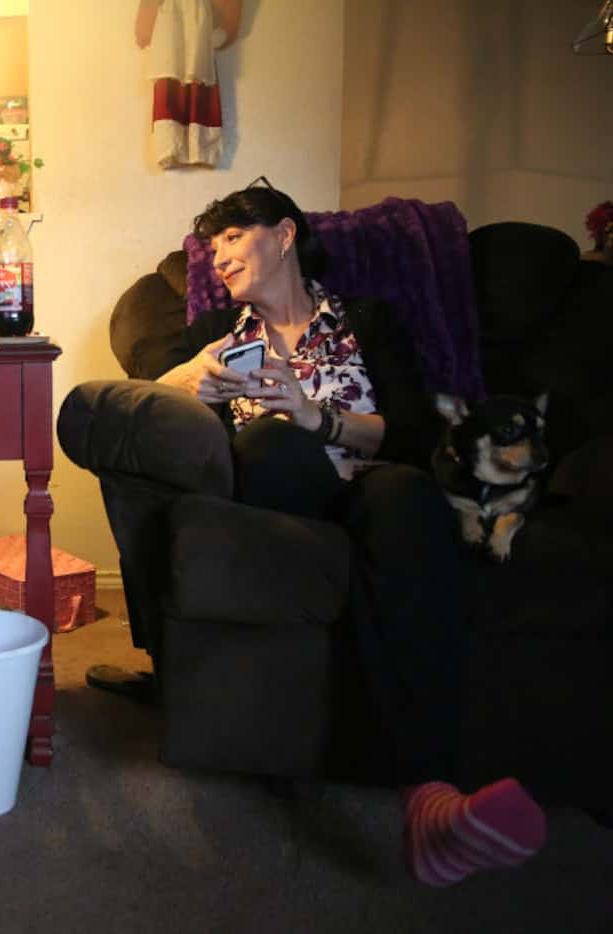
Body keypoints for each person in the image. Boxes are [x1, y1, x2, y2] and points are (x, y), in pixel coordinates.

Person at [154, 179, 547, 888]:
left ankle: (430, 804)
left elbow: (419, 430)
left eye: (233, 239)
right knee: (270, 444)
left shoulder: (366, 320)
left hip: (367, 488)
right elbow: (150, 400)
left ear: (283, 235)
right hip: (281, 493)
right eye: (211, 250)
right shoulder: (214, 339)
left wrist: (319, 417)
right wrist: (191, 378)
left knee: (403, 492)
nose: (218, 259)